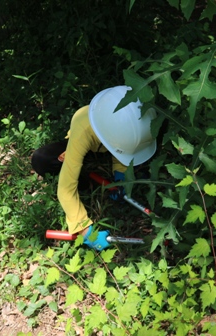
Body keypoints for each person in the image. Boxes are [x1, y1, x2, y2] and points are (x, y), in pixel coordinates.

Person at [31, 86, 157, 251]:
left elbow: (124, 146)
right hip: (86, 142)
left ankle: (103, 171)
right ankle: (86, 179)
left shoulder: (131, 116)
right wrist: (84, 230)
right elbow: (65, 189)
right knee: (42, 160)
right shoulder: (83, 131)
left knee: (137, 164)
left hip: (110, 143)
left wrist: (121, 174)